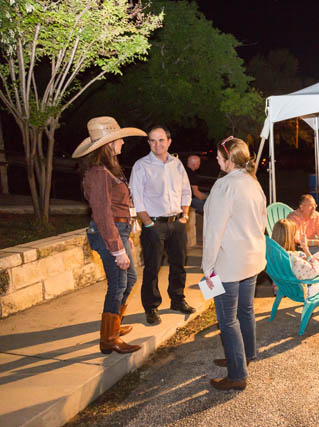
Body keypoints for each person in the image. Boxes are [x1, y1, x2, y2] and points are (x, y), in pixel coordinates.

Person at [72, 116, 146, 354]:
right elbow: (103, 214)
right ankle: (109, 338)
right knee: (117, 284)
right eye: (119, 139)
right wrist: (117, 248)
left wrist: (126, 235)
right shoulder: (98, 172)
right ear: (108, 144)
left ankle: (114, 325)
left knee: (129, 279)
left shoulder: (108, 169)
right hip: (109, 233)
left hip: (118, 230)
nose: (123, 142)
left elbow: (116, 207)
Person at [202, 136, 266, 391]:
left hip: (229, 261)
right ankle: (244, 355)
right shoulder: (253, 182)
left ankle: (237, 373)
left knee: (228, 319)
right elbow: (261, 222)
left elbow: (214, 229)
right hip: (251, 258)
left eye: (219, 157)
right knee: (245, 311)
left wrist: (208, 267)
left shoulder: (225, 185)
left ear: (229, 159)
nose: (217, 161)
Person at [130, 126, 195, 326]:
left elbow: (186, 191)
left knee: (179, 264)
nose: (157, 144)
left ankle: (177, 299)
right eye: (153, 140)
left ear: (169, 141)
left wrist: (184, 215)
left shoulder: (177, 164)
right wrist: (148, 223)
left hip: (177, 223)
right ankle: (151, 307)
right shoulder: (141, 166)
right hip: (154, 225)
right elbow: (137, 199)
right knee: (152, 268)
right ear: (148, 143)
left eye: (161, 140)